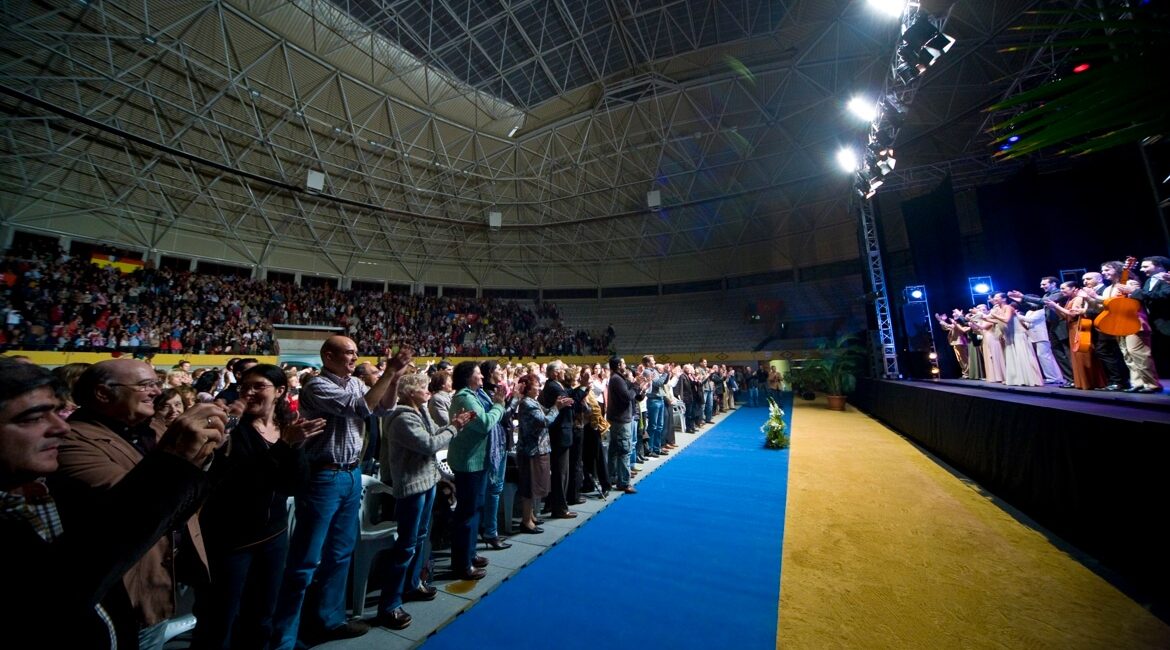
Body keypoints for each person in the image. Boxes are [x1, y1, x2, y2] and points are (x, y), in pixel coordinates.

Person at [0, 358, 224, 649]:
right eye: (33, 417)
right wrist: (173, 461)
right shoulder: (76, 444)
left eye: (56, 412)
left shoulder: (152, 430)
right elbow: (70, 580)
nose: (61, 427)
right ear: (103, 394)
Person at [269, 337, 413, 649]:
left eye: (355, 352)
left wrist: (396, 377)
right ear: (328, 355)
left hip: (350, 474)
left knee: (340, 553)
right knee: (306, 560)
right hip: (323, 476)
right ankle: (284, 637)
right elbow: (361, 408)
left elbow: (384, 408)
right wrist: (388, 372)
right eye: (348, 352)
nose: (354, 357)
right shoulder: (317, 386)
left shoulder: (355, 383)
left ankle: (329, 620)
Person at [192, 364, 325, 649]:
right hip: (231, 540)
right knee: (219, 620)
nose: (248, 392)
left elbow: (294, 484)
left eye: (258, 386)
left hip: (272, 536)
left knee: (261, 616)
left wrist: (296, 448)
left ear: (279, 391)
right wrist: (284, 447)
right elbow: (242, 483)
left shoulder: (286, 427)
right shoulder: (232, 428)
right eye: (244, 387)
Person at [374, 372, 473, 630]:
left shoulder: (420, 412)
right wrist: (455, 427)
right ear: (409, 393)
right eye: (422, 387)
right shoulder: (402, 418)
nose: (427, 390)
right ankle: (389, 604)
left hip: (427, 482)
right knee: (406, 544)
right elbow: (429, 444)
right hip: (412, 488)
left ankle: (412, 584)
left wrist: (452, 424)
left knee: (419, 538)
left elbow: (435, 433)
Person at [445, 361, 507, 580]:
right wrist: (499, 404)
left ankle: (470, 554)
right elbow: (485, 423)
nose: (482, 378)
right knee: (467, 514)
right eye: (478, 375)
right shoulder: (465, 398)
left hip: (478, 461)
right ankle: (461, 564)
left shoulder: (476, 395)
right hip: (468, 463)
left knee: (475, 509)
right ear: (467, 377)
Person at [476, 360, 512, 551]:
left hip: (500, 443)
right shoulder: (488, 394)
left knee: (494, 489)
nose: (502, 372)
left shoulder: (494, 391)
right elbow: (501, 416)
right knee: (494, 489)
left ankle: (490, 528)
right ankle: (490, 531)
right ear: (490, 373)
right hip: (494, 446)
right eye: (498, 369)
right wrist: (514, 401)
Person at [606, 357, 646, 495]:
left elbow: (636, 396)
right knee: (624, 449)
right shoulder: (617, 379)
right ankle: (623, 482)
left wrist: (641, 387)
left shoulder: (619, 378)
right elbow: (628, 396)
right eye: (623, 363)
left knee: (615, 449)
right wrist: (635, 386)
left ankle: (612, 477)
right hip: (620, 419)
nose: (625, 365)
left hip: (619, 418)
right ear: (618, 365)